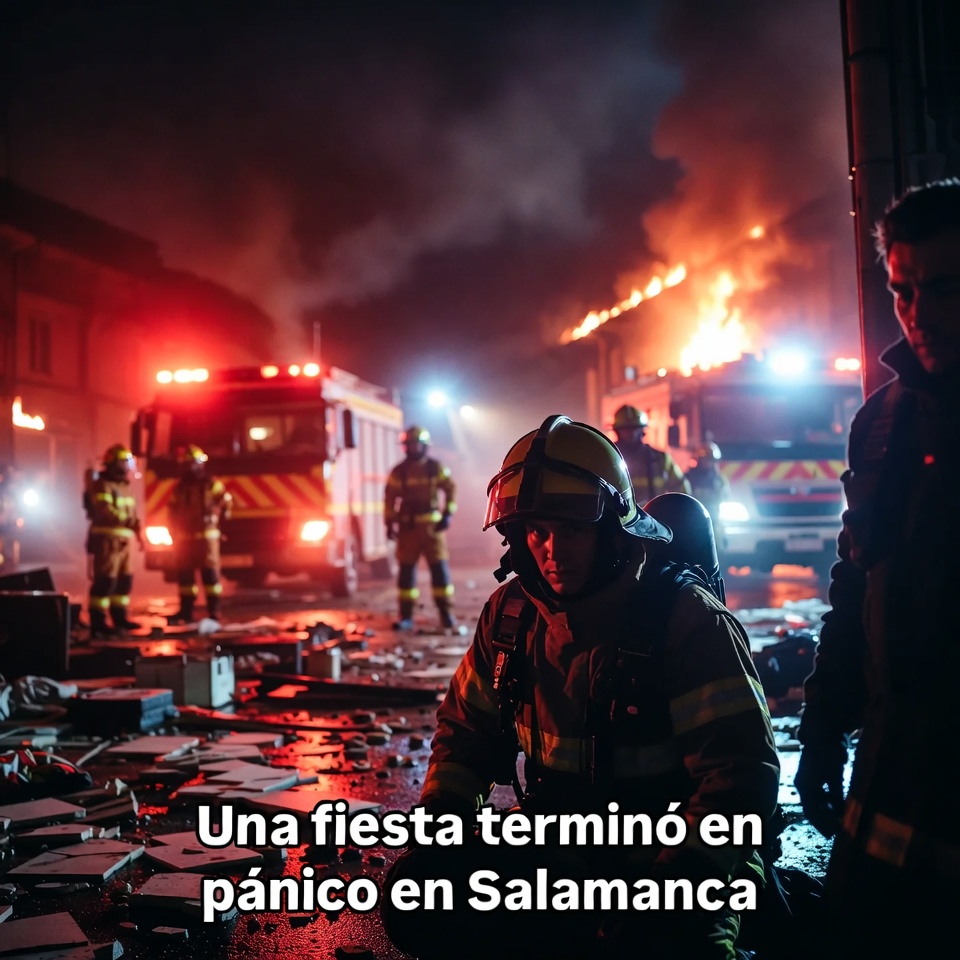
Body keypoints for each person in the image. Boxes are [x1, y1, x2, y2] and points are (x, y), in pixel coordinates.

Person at [381, 414, 780, 960]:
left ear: (612, 531)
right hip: (557, 854)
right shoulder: (510, 617)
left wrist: (673, 891)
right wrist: (439, 833)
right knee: (421, 903)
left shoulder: (686, 621)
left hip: (675, 864)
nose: (552, 549)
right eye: (537, 530)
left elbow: (737, 778)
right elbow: (464, 735)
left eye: (571, 529)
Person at [795, 178, 960, 955]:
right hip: (890, 770)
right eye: (902, 291)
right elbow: (855, 584)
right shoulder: (882, 421)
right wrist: (824, 727)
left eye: (942, 288)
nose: (918, 314)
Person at [383, 424, 458, 632]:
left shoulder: (436, 467)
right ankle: (405, 616)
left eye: (417, 444)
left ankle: (446, 614)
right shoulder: (399, 472)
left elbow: (451, 488)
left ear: (425, 446)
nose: (414, 448)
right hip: (408, 529)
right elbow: (389, 498)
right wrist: (389, 522)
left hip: (432, 530)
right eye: (410, 445)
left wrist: (448, 513)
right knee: (406, 574)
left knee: (440, 573)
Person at [166, 444, 231, 624]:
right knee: (186, 579)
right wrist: (172, 530)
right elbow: (171, 510)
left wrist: (218, 517)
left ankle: (214, 611)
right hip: (185, 539)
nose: (192, 467)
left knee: (210, 578)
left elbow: (225, 501)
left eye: (195, 463)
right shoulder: (179, 488)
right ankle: (185, 612)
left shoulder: (211, 483)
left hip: (207, 539)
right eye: (189, 463)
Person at [86, 443, 142, 638]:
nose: (128, 466)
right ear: (113, 463)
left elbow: (132, 513)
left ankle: (120, 620)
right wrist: (128, 521)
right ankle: (98, 623)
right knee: (105, 581)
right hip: (107, 541)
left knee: (124, 582)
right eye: (124, 462)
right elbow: (104, 510)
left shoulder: (124, 486)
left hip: (124, 542)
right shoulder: (103, 484)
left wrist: (138, 530)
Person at [611, 403, 691, 502]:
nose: (631, 433)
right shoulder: (609, 458)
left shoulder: (661, 459)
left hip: (653, 515)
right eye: (626, 429)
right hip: (619, 516)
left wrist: (679, 510)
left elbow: (680, 487)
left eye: (635, 428)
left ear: (642, 430)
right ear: (618, 431)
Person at [685, 441, 732, 553]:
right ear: (698, 460)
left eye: (711, 460)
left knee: (717, 550)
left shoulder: (719, 480)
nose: (708, 463)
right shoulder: (689, 478)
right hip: (693, 522)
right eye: (706, 460)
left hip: (715, 521)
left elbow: (725, 497)